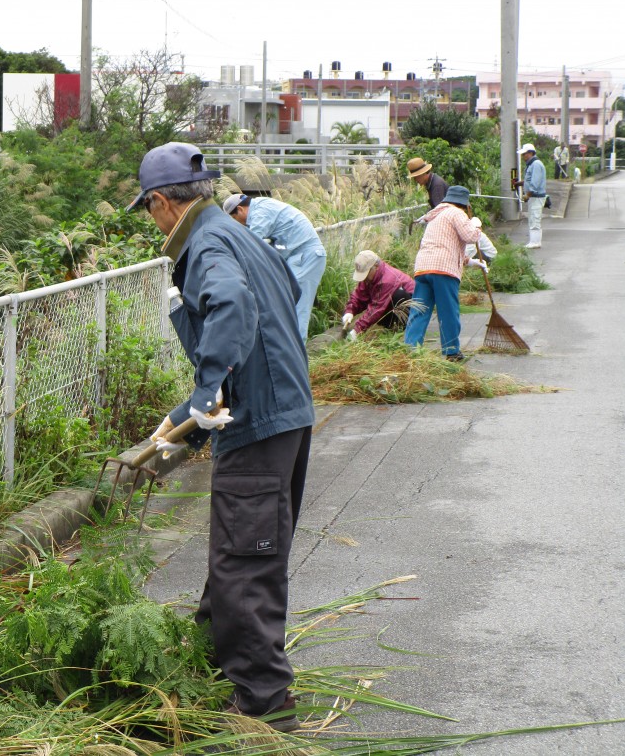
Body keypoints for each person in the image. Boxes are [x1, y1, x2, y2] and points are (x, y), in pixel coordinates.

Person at [131, 143, 315, 732]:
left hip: (259, 420)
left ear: (161, 202)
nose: (152, 219)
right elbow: (284, 290)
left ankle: (263, 700)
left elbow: (233, 303)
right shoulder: (242, 235)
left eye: (149, 209)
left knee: (244, 558)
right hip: (284, 409)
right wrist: (184, 415)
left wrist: (211, 388)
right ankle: (213, 663)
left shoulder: (208, 244)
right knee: (242, 549)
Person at [221, 192, 326, 339]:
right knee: (288, 306)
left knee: (297, 310)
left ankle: (296, 358)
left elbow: (249, 244)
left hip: (307, 257)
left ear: (240, 210)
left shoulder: (260, 213)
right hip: (298, 256)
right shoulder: (262, 206)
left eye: (234, 219)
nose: (237, 224)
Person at [403, 186, 484, 361]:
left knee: (420, 310)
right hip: (443, 271)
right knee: (447, 310)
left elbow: (449, 245)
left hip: (423, 268)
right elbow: (471, 236)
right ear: (463, 203)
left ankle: (410, 350)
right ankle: (452, 350)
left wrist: (472, 262)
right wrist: (476, 224)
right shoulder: (456, 213)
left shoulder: (436, 216)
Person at [341, 250, 415, 338]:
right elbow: (359, 295)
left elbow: (376, 308)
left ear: (376, 266)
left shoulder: (387, 280)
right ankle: (391, 327)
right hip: (389, 307)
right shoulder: (369, 278)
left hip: (411, 308)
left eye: (366, 274)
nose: (364, 278)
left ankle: (402, 327)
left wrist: (357, 329)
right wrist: (350, 311)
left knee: (397, 295)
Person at [513, 142, 547, 249]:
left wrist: (527, 194)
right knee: (533, 218)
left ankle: (535, 242)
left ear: (531, 153)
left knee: (535, 218)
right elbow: (529, 180)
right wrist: (520, 183)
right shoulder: (531, 165)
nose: (523, 156)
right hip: (534, 197)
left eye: (524, 154)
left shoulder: (536, 164)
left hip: (536, 196)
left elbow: (535, 183)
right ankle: (534, 241)